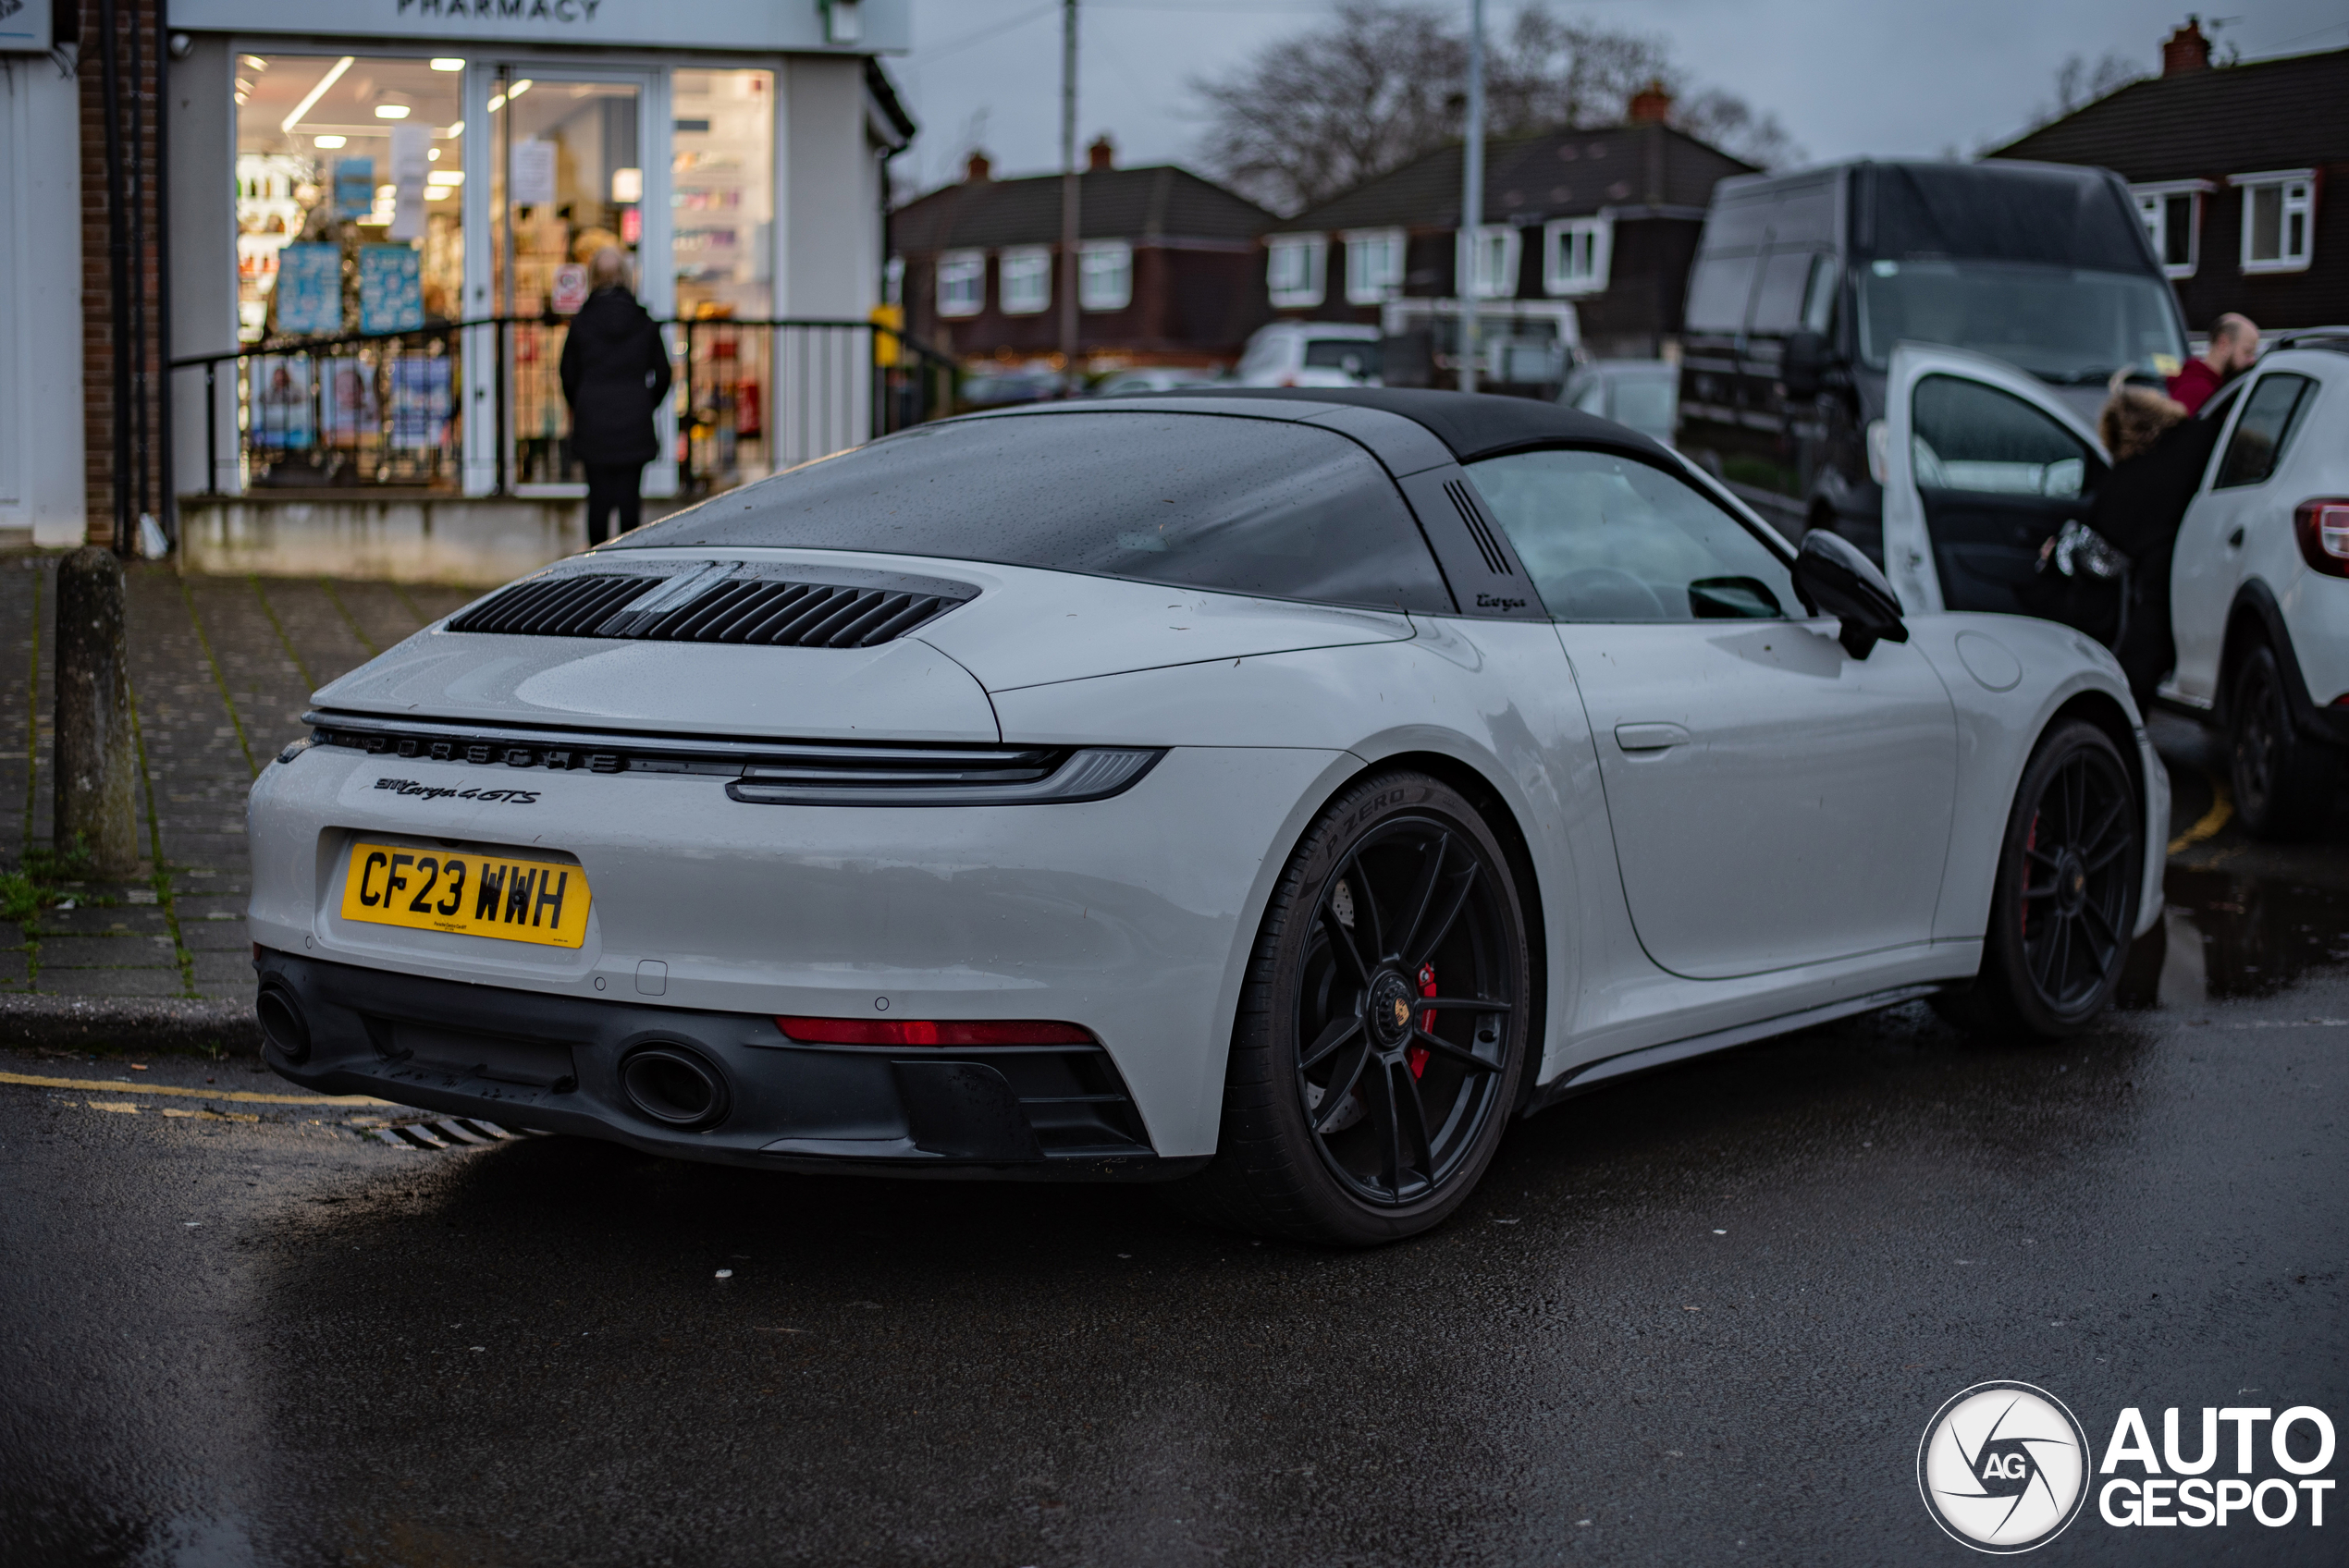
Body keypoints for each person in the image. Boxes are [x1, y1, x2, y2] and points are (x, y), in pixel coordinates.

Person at [2081, 377, 2224, 707]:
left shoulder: (2127, 478)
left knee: (2134, 671)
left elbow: (2108, 532)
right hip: (2217, 561)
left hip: (2166, 582)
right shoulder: (2206, 436)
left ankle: (2126, 736)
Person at [560, 248, 672, 545]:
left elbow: (567, 375)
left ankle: (596, 574)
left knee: (597, 502)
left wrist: (583, 404)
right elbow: (664, 374)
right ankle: (629, 575)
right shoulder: (644, 323)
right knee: (629, 504)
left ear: (593, 278)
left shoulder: (581, 324)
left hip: (593, 421)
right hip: (634, 422)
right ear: (626, 276)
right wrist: (645, 403)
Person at [2166, 312, 2258, 415]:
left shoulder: (2217, 387)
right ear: (2223, 344)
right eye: (2247, 352)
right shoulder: (2196, 392)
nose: (2252, 360)